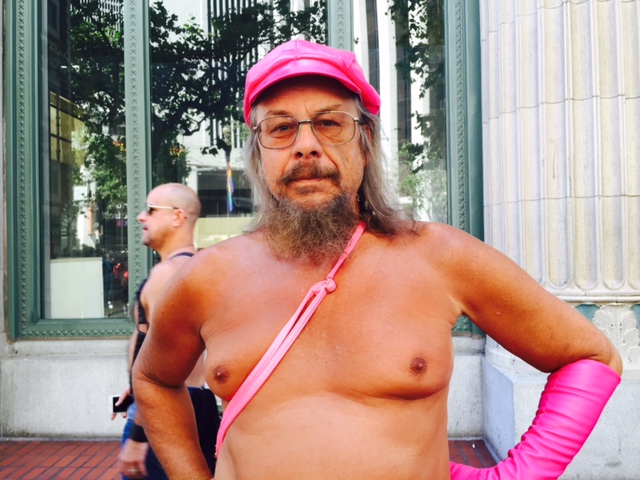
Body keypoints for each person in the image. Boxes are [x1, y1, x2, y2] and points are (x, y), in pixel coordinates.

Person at [132, 40, 623, 480]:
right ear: (259, 157)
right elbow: (153, 378)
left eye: (330, 123)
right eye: (280, 129)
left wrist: (519, 474)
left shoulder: (440, 256)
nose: (306, 146)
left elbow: (590, 356)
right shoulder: (208, 276)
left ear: (365, 145)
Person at [114, 183, 219, 479]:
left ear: (177, 217)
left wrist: (137, 436)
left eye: (150, 210)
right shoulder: (197, 268)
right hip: (193, 402)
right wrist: (134, 389)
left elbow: (163, 371)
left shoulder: (167, 275)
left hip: (166, 409)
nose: (140, 217)